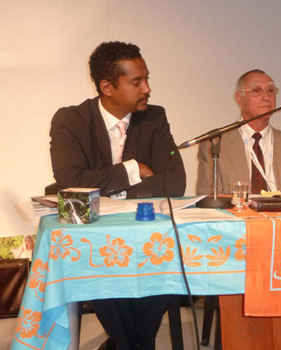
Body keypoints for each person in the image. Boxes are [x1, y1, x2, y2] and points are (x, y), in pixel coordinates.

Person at [49, 41, 186, 349]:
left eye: (147, 78)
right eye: (136, 82)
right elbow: (71, 182)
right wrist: (133, 169)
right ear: (107, 87)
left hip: (145, 234)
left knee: (167, 263)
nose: (147, 88)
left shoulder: (154, 118)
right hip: (96, 238)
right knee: (101, 266)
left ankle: (120, 346)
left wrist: (104, 187)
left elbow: (175, 182)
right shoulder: (70, 121)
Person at [196, 69, 281, 196]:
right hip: (238, 214)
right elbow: (209, 199)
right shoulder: (214, 144)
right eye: (257, 91)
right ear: (239, 98)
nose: (266, 97)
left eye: (270, 91)